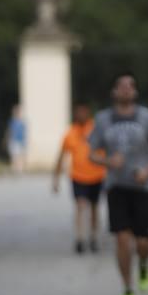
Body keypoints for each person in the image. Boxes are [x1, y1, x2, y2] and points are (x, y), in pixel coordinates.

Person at [87, 73, 148, 295]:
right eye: (121, 86)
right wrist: (107, 162)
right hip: (117, 186)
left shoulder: (147, 117)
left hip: (143, 185)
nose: (125, 89)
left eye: (130, 86)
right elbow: (91, 153)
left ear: (135, 92)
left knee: (143, 242)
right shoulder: (103, 119)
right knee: (122, 238)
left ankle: (143, 265)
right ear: (114, 92)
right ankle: (127, 287)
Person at [53, 102, 105, 254]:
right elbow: (61, 156)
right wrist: (55, 179)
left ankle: (94, 237)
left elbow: (107, 151)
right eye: (78, 112)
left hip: (97, 175)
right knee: (80, 206)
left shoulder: (96, 130)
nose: (81, 115)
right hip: (78, 176)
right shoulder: (70, 133)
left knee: (95, 208)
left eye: (84, 111)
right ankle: (80, 238)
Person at [6, 104, 28, 174]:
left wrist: (25, 140)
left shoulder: (22, 122)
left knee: (20, 155)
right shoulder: (12, 121)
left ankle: (20, 168)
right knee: (14, 155)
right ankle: (14, 168)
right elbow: (9, 131)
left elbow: (24, 132)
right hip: (14, 140)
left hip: (21, 141)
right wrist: (7, 139)